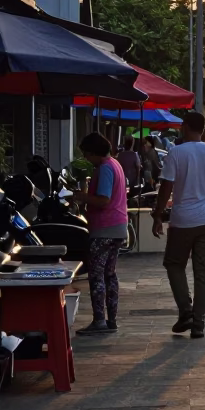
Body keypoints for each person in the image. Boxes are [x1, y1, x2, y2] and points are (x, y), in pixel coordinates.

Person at [152, 111, 205, 339]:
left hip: (182, 221)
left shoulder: (176, 153)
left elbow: (166, 188)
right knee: (203, 271)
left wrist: (158, 215)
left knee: (174, 264)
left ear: (185, 127)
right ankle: (199, 322)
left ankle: (185, 311)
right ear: (204, 129)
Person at [73, 132, 129, 336]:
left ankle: (99, 321)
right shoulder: (116, 165)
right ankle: (111, 319)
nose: (86, 158)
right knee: (110, 275)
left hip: (104, 228)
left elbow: (103, 199)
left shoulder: (105, 168)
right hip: (118, 226)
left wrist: (83, 197)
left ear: (93, 151)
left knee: (97, 276)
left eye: (86, 154)